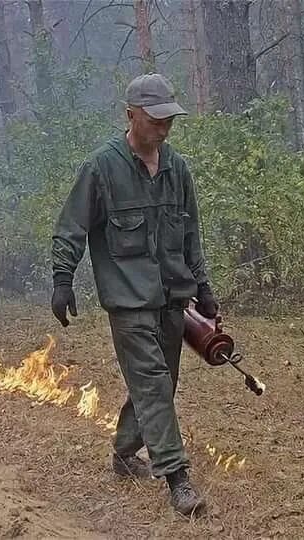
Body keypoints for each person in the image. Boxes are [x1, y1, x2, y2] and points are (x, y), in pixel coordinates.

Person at [50, 73, 219, 516]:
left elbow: (190, 235)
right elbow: (72, 227)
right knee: (153, 384)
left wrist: (202, 287)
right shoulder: (101, 168)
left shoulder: (176, 169)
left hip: (171, 301)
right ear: (131, 115)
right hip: (128, 303)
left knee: (160, 384)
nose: (164, 128)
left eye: (169, 120)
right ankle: (178, 479)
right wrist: (62, 280)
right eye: (156, 120)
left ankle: (126, 453)